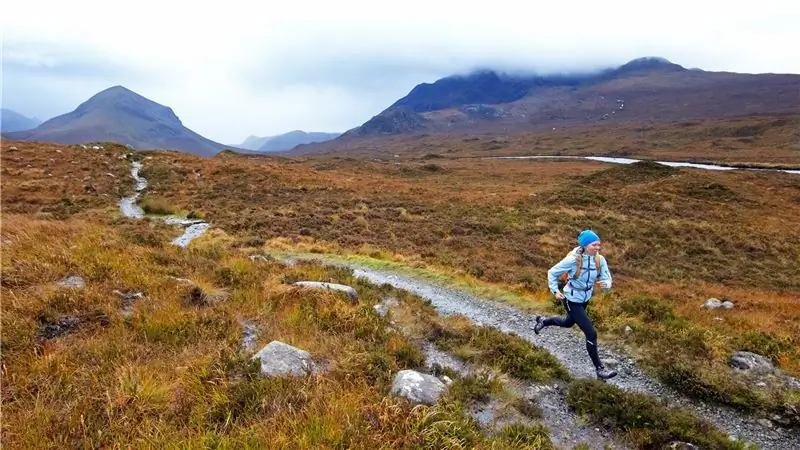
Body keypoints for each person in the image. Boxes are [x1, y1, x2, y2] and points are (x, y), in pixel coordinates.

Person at [534, 229, 617, 380]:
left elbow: (607, 277)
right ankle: (600, 369)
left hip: (585, 298)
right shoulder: (573, 260)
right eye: (594, 245)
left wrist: (607, 284)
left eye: (599, 244)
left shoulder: (600, 260)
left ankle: (543, 321)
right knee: (591, 333)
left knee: (567, 323)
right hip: (571, 299)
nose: (597, 248)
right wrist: (554, 290)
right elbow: (552, 272)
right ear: (585, 245)